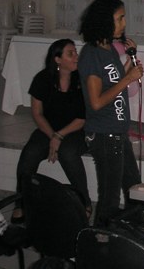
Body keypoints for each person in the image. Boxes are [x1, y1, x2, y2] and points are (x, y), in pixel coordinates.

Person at [78, 0, 144, 227]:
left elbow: (113, 81)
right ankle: (101, 241)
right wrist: (128, 79)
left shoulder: (109, 50)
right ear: (104, 21)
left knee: (134, 188)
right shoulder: (91, 54)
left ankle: (137, 235)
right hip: (104, 135)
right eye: (119, 18)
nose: (124, 24)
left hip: (117, 131)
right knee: (110, 198)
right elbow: (96, 102)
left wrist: (129, 64)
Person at [12, 39, 91, 223]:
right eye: (70, 53)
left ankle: (84, 202)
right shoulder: (42, 79)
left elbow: (82, 119)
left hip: (76, 130)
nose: (76, 56)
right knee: (30, 152)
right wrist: (53, 136)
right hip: (48, 128)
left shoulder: (82, 80)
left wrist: (59, 136)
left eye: (76, 52)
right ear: (57, 59)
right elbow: (37, 114)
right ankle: (21, 202)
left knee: (67, 152)